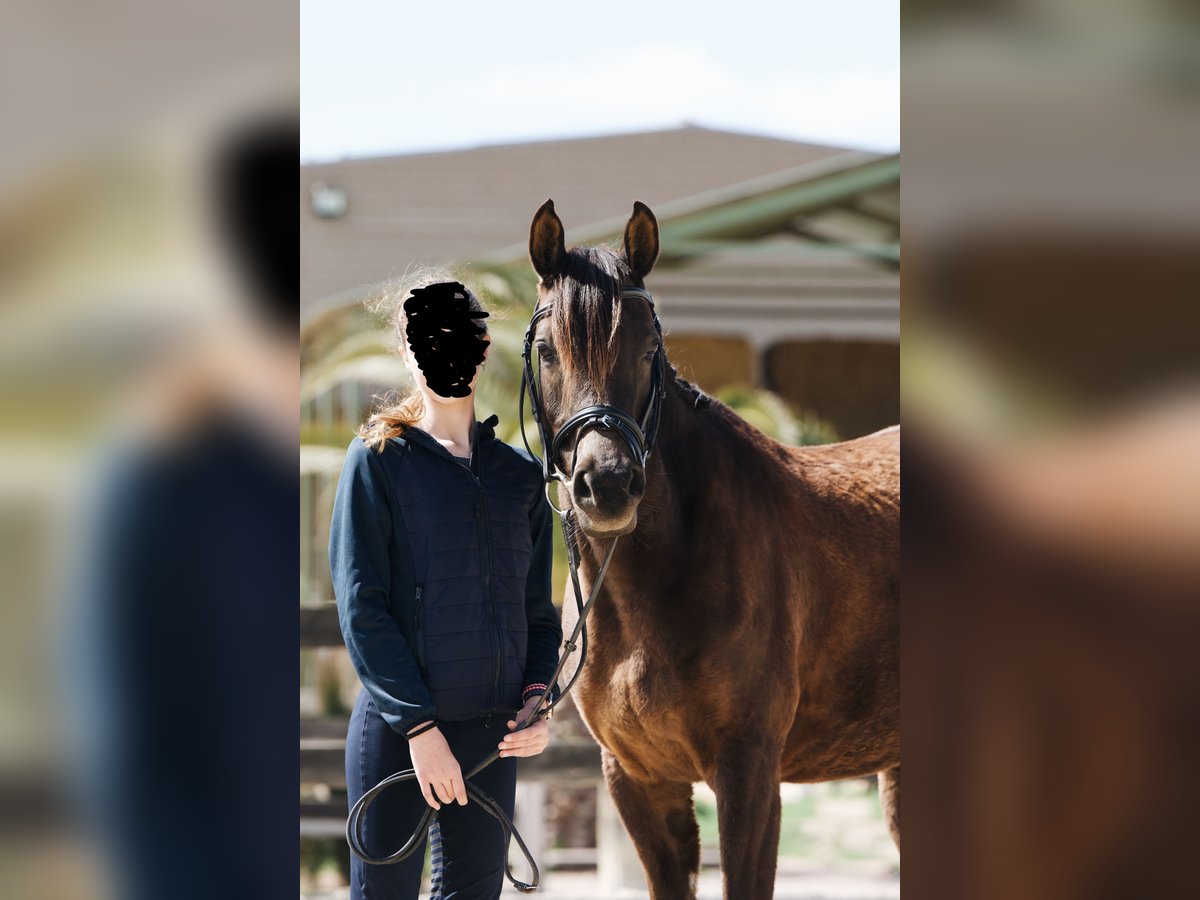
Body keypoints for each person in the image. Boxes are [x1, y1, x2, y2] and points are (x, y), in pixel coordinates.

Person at [329, 274, 561, 899]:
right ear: (406, 350)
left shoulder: (519, 479)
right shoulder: (379, 461)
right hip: (400, 733)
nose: (447, 348)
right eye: (427, 337)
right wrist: (420, 731)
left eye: (461, 335)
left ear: (484, 347)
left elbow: (538, 615)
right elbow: (362, 607)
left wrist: (537, 703)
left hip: (491, 737)